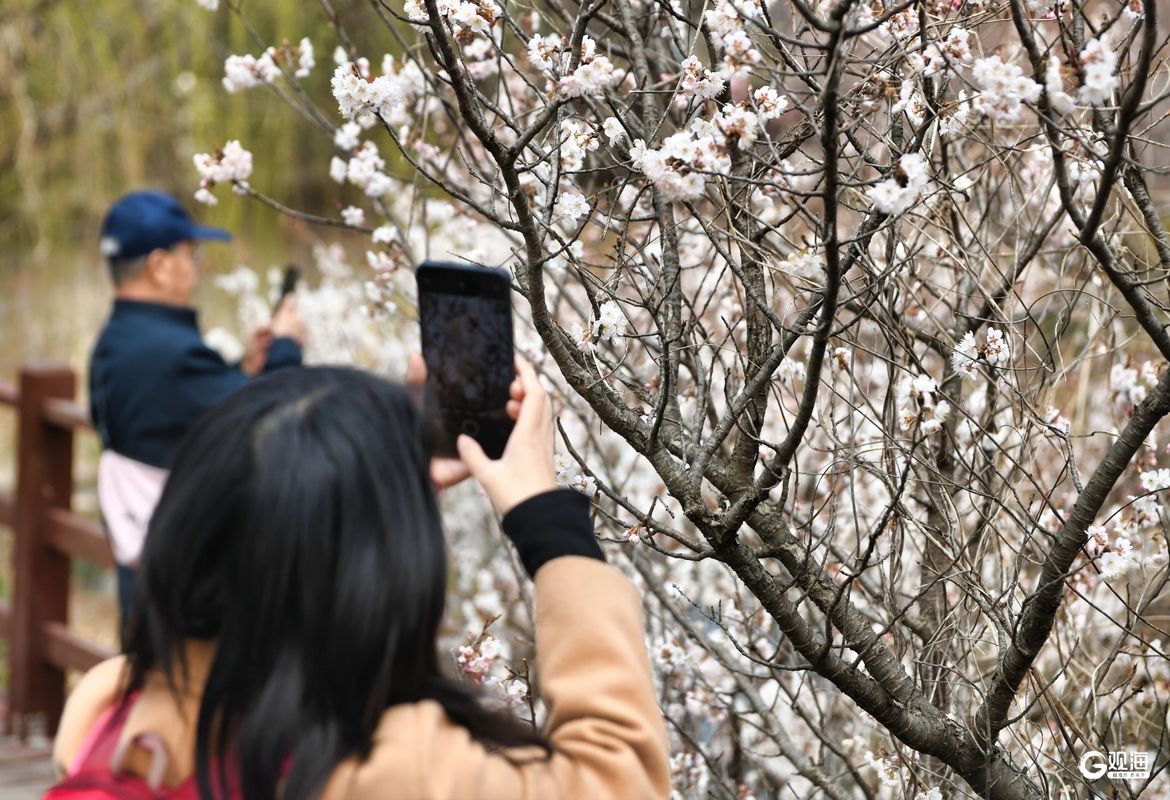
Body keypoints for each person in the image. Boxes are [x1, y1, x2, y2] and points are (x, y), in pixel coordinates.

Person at [51, 360, 670, 799]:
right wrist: (547, 520)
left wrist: (373, 487)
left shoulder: (108, 711)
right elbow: (617, 779)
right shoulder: (383, 771)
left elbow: (277, 553)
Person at [90, 190, 305, 631]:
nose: (198, 266)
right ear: (159, 266)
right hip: (189, 587)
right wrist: (287, 349)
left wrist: (243, 370)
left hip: (147, 570)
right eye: (191, 254)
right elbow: (267, 420)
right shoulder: (168, 353)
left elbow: (183, 415)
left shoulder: (118, 339)